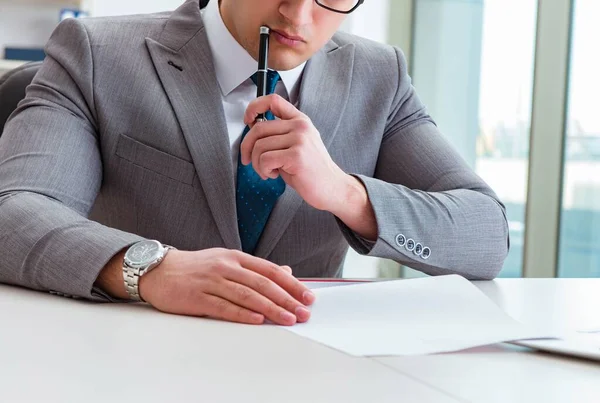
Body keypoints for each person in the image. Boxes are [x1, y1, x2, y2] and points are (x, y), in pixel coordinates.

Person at [0, 0, 509, 326]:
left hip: (304, 371)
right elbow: (14, 214)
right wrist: (152, 269)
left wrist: (343, 191)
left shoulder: (379, 78)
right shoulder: (96, 54)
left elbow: (486, 236)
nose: (298, 14)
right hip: (132, 361)